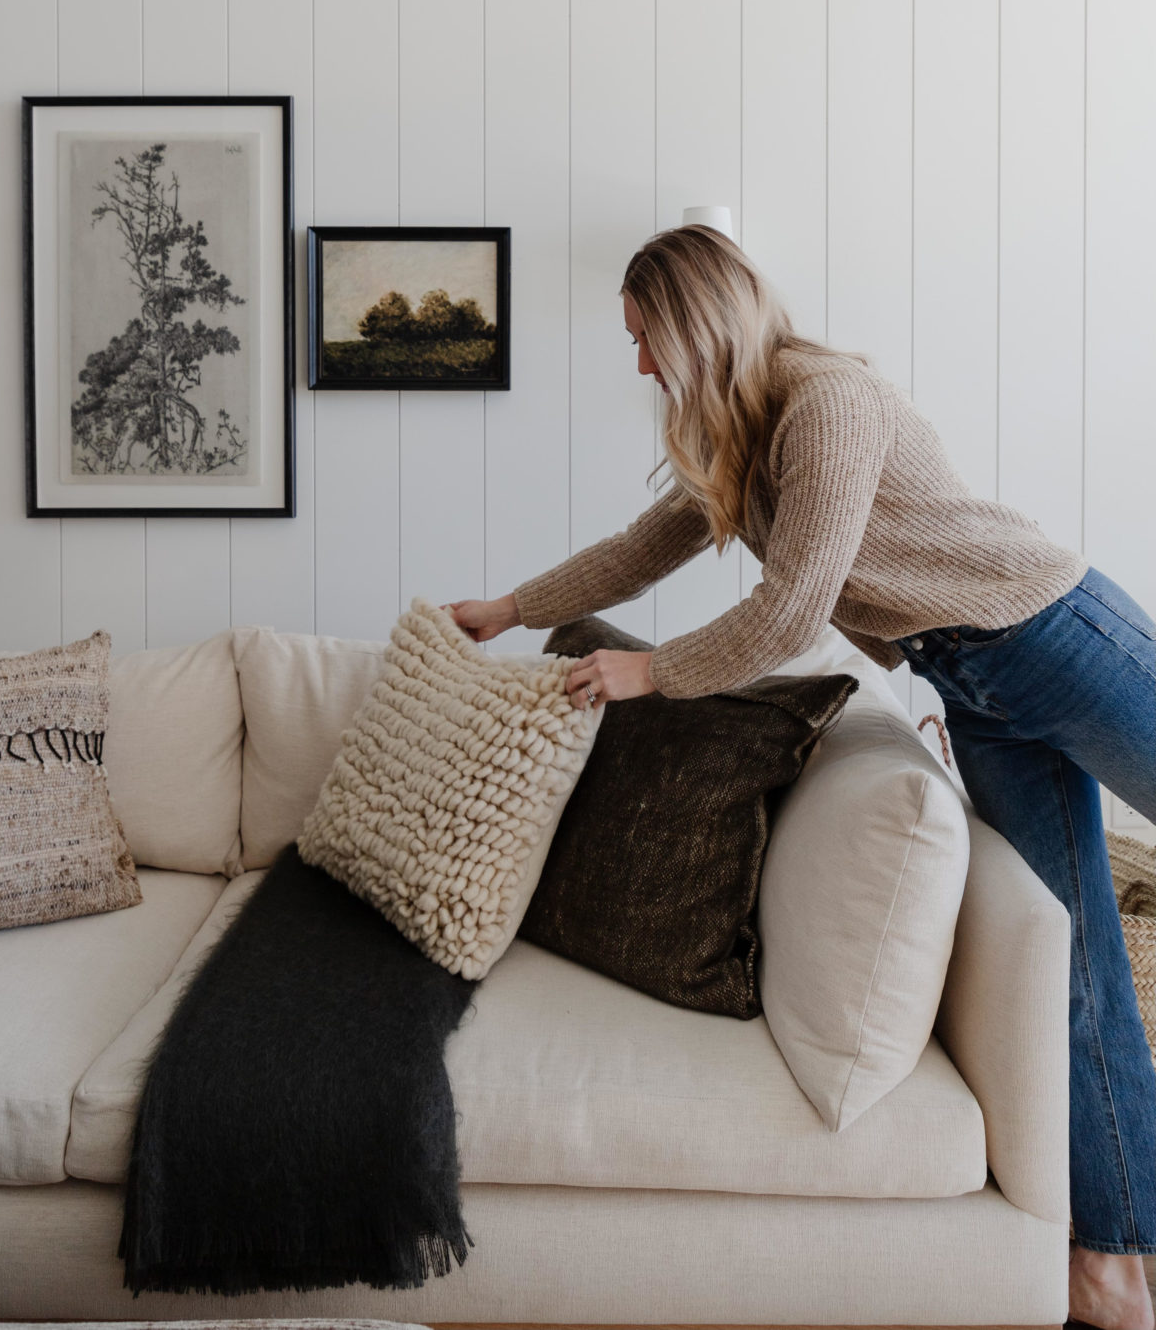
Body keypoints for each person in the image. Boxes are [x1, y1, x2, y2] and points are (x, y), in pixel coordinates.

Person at [448, 223, 1156, 1330]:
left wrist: (648, 670)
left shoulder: (828, 403)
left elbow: (792, 609)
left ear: (694, 325)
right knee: (1074, 960)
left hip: (1056, 634)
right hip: (972, 683)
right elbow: (642, 548)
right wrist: (509, 606)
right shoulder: (745, 437)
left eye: (645, 339)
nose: (640, 366)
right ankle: (1114, 1267)